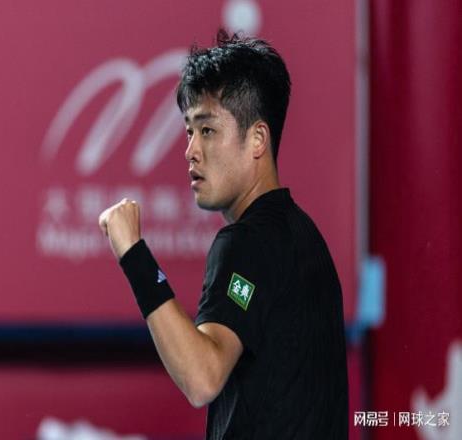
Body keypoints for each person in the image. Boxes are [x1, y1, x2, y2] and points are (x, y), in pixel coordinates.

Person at [99, 31, 348, 439]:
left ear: (257, 139)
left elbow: (202, 377)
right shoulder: (302, 236)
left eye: (208, 130)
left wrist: (134, 254)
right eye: (188, 131)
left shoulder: (247, 242)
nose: (191, 150)